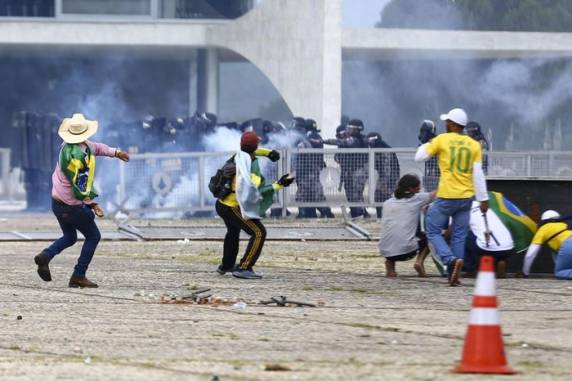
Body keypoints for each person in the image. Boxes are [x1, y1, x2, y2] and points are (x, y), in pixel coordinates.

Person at [33, 113, 130, 288]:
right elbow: (79, 185)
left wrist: (115, 152)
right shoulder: (74, 159)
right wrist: (92, 204)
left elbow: (97, 148)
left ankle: (46, 256)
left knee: (70, 237)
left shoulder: (72, 145)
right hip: (71, 205)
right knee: (94, 235)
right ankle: (78, 275)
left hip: (57, 203)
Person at [415, 108, 489, 286]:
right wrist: (484, 199)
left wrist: (430, 142)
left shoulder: (442, 140)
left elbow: (419, 157)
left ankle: (449, 260)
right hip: (467, 198)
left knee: (432, 230)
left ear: (454, 124)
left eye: (447, 121)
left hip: (447, 195)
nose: (445, 124)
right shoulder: (474, 145)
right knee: (459, 235)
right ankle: (453, 274)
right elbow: (478, 175)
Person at [215, 131, 293, 279]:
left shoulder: (239, 155)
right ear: (255, 146)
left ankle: (227, 265)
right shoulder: (251, 168)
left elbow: (252, 150)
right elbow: (256, 192)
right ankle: (244, 267)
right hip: (232, 207)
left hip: (221, 204)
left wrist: (269, 153)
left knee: (233, 231)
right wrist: (279, 185)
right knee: (258, 233)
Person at [378, 174, 434, 277]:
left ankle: (390, 267)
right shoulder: (417, 199)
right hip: (406, 251)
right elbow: (437, 194)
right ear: (411, 189)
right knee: (431, 235)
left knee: (394, 231)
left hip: (385, 250)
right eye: (418, 187)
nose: (420, 189)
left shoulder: (388, 202)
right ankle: (419, 262)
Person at [464, 199, 515, 278]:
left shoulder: (460, 210)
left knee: (461, 235)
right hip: (509, 248)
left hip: (487, 249)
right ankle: (500, 262)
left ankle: (471, 269)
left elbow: (450, 233)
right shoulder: (489, 208)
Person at [522, 210, 572, 279]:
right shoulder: (565, 224)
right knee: (554, 249)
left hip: (568, 245)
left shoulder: (544, 228)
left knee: (560, 272)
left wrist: (525, 273)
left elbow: (530, 254)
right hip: (566, 246)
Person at [367, 132, 400, 219]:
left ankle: (384, 218)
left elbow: (387, 169)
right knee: (380, 198)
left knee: (382, 198)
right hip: (387, 178)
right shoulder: (380, 148)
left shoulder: (384, 150)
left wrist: (385, 183)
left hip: (389, 178)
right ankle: (382, 218)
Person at [418, 120, 440, 192]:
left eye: (424, 132)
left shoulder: (436, 142)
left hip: (437, 173)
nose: (422, 134)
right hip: (430, 174)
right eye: (422, 132)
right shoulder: (427, 145)